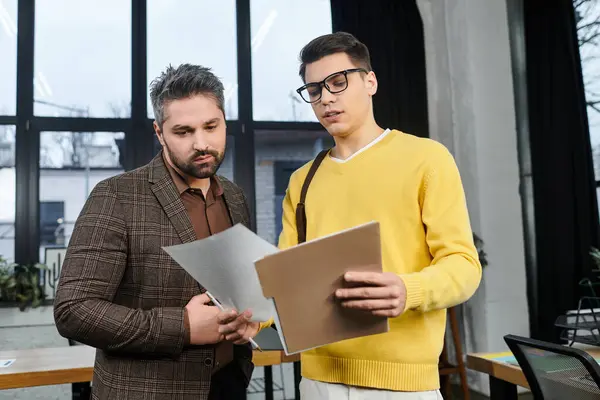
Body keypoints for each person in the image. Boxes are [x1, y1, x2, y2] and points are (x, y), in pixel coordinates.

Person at [276, 32, 483, 399]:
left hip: (404, 387)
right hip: (316, 382)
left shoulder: (427, 159)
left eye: (337, 82)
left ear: (370, 81)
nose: (326, 98)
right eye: (314, 90)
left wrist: (409, 289)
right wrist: (246, 313)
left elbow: (465, 265)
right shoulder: (301, 181)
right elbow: (286, 278)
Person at [54, 63, 259, 400]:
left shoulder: (234, 196)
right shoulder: (115, 196)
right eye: (183, 131)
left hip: (229, 382)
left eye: (212, 126)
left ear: (225, 121)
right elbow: (73, 310)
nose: (201, 143)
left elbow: (236, 286)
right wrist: (184, 327)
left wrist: (249, 321)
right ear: (159, 133)